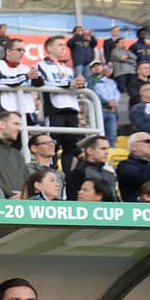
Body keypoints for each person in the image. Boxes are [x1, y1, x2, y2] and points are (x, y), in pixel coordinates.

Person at [34, 35, 86, 173]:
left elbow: (73, 85)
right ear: (49, 48)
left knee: (70, 146)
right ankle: (52, 172)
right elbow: (44, 83)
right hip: (54, 109)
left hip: (72, 108)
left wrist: (80, 83)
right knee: (52, 145)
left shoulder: (68, 68)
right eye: (60, 45)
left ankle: (67, 175)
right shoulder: (40, 65)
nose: (64, 48)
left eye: (64, 45)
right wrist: (69, 83)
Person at [66, 135, 116, 200]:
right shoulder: (79, 172)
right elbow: (73, 199)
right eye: (103, 148)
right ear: (89, 151)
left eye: (108, 149)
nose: (107, 152)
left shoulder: (109, 173)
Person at [117, 133, 150, 201]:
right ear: (133, 147)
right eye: (147, 141)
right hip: (135, 209)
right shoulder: (124, 165)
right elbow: (142, 177)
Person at [26, 133, 66, 197]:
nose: (52, 145)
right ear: (34, 148)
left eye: (53, 142)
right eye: (47, 143)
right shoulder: (26, 170)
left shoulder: (60, 173)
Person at [91, 61, 120, 142]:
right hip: (99, 111)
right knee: (98, 137)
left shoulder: (111, 81)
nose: (96, 68)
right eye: (94, 66)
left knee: (112, 136)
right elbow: (93, 93)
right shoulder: (90, 80)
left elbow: (116, 93)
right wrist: (107, 102)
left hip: (112, 111)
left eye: (98, 65)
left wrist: (114, 101)